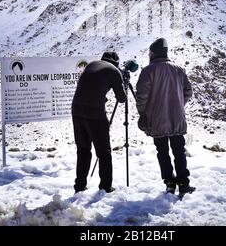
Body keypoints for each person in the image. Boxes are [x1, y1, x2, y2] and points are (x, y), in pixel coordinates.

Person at [135, 38, 195, 197]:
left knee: (162, 151)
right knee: (179, 151)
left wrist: (143, 114)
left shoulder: (148, 70)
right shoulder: (179, 69)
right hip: (177, 118)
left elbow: (141, 96)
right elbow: (188, 92)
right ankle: (183, 184)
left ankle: (169, 183)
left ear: (153, 53)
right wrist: (178, 105)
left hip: (157, 120)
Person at [72, 51, 126, 193]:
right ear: (117, 63)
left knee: (83, 150)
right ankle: (105, 186)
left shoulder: (92, 65)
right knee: (104, 152)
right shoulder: (114, 71)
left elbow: (90, 88)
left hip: (77, 110)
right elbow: (122, 98)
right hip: (95, 114)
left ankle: (79, 185)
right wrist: (123, 82)